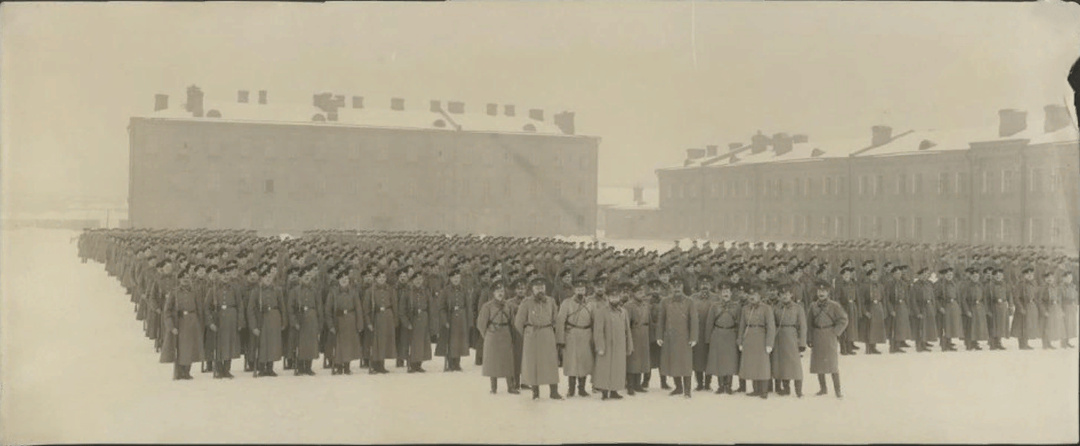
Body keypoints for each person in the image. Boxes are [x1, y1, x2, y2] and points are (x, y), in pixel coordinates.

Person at [514, 277, 562, 400]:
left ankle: (554, 391)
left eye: (542, 288)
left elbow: (556, 319)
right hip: (532, 335)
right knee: (533, 364)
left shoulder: (551, 301)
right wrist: (525, 335)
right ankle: (535, 392)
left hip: (547, 334)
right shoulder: (526, 302)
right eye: (537, 288)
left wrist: (556, 335)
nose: (540, 290)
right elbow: (518, 322)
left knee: (550, 363)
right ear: (532, 289)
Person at [160, 268, 205, 380]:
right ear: (179, 279)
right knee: (180, 348)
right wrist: (171, 326)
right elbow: (167, 311)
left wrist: (200, 323)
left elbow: (199, 308)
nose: (185, 280)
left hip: (192, 321)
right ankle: (179, 372)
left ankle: (187, 371)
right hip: (180, 322)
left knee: (190, 347)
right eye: (183, 278)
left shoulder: (194, 292)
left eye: (187, 278)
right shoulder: (174, 292)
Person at [657, 276, 698, 398]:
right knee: (673, 362)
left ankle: (687, 390)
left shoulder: (689, 302)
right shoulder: (665, 301)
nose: (677, 288)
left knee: (685, 363)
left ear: (682, 287)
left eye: (679, 286)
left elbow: (694, 321)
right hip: (670, 338)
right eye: (674, 286)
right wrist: (659, 336)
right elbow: (661, 320)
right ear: (671, 287)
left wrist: (693, 337)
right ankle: (678, 387)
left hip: (684, 338)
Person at [476, 281, 519, 394]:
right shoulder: (487, 306)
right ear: (493, 293)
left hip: (505, 335)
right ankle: (493, 387)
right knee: (492, 362)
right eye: (498, 291)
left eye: (502, 291)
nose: (500, 293)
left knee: (508, 361)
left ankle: (511, 387)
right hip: (492, 335)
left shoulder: (508, 306)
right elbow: (481, 324)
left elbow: (512, 322)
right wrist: (487, 336)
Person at [592, 282, 633, 400]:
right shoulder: (602, 311)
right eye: (612, 297)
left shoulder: (623, 311)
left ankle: (614, 390)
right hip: (607, 345)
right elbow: (598, 330)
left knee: (618, 368)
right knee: (604, 367)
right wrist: (600, 346)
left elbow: (627, 330)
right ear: (608, 298)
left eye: (616, 296)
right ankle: (604, 391)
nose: (614, 299)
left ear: (619, 297)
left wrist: (629, 345)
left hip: (620, 345)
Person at [555, 277, 595, 397]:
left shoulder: (590, 304)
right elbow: (560, 321)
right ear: (574, 290)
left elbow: (594, 321)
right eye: (578, 289)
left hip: (586, 334)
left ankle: (582, 388)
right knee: (571, 362)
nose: (580, 291)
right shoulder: (566, 303)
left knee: (584, 361)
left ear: (585, 290)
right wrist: (560, 339)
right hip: (571, 335)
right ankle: (571, 388)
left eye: (582, 289)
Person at [808, 283, 847, 398]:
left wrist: (835, 332)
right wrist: (809, 337)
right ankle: (823, 388)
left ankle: (837, 390)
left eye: (824, 291)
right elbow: (809, 323)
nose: (821, 293)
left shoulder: (834, 306)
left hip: (829, 335)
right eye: (819, 292)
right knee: (819, 362)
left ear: (828, 293)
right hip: (817, 335)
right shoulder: (813, 306)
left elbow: (843, 320)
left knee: (832, 363)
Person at [205, 265, 243, 379]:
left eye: (227, 275)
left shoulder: (235, 288)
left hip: (231, 318)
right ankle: (218, 369)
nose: (225, 277)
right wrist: (210, 322)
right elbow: (206, 307)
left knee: (229, 343)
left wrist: (240, 321)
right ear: (219, 276)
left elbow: (240, 305)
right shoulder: (213, 289)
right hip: (219, 318)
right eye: (223, 275)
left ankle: (227, 369)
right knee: (218, 344)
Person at [737, 288, 775, 399]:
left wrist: (769, 343)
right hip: (749, 339)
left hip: (761, 338)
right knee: (752, 364)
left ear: (759, 296)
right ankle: (756, 389)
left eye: (754, 294)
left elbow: (771, 327)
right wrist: (740, 341)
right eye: (750, 295)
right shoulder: (745, 309)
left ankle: (764, 390)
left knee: (762, 365)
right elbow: (742, 326)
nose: (752, 297)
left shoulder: (766, 308)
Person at [247, 269, 286, 377]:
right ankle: (261, 368)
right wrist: (253, 326)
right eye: (266, 277)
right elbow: (250, 309)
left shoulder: (277, 290)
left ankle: (270, 368)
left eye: (270, 277)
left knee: (273, 343)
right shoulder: (256, 291)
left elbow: (282, 307)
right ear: (262, 279)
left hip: (274, 318)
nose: (269, 279)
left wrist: (283, 321)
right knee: (262, 344)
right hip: (262, 320)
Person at [705, 283, 741, 395]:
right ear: (720, 294)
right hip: (718, 334)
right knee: (719, 360)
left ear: (731, 294)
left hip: (731, 334)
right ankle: (721, 386)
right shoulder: (714, 306)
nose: (725, 294)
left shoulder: (736, 306)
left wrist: (739, 338)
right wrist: (708, 339)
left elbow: (740, 323)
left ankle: (728, 385)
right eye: (723, 292)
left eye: (727, 292)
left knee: (730, 360)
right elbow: (709, 323)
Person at [288, 266, 325, 376]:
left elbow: (319, 307)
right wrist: (294, 321)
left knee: (311, 343)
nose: (307, 278)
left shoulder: (314, 290)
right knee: (300, 343)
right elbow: (290, 308)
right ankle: (300, 366)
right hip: (300, 319)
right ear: (300, 278)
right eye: (305, 277)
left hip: (312, 318)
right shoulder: (295, 291)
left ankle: (308, 367)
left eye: (309, 276)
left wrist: (320, 322)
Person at [771, 287, 807, 397]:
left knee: (795, 364)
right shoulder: (776, 308)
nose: (784, 296)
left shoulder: (798, 308)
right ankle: (786, 388)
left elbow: (803, 326)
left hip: (792, 336)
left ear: (791, 294)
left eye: (786, 294)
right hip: (779, 338)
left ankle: (798, 390)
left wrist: (802, 342)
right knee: (783, 364)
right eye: (782, 294)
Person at [326, 270, 364, 375]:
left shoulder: (353, 292)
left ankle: (347, 366)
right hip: (338, 321)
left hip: (350, 321)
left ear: (349, 280)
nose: (344, 280)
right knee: (338, 345)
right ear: (338, 280)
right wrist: (330, 325)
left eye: (346, 279)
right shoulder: (332, 293)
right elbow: (328, 311)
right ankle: (338, 366)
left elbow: (358, 309)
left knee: (348, 345)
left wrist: (359, 324)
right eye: (342, 279)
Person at [399, 272, 436, 373]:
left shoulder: (426, 291)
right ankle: (411, 364)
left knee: (422, 343)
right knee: (412, 343)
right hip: (412, 320)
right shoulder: (407, 292)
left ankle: (419, 364)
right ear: (412, 281)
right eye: (416, 279)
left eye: (420, 279)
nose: (418, 281)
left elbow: (431, 308)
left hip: (424, 319)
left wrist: (431, 322)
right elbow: (402, 310)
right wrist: (407, 323)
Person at [363, 269, 398, 374]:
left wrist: (395, 320)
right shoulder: (370, 291)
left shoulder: (390, 290)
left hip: (388, 317)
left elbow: (394, 305)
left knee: (385, 342)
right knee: (376, 342)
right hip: (376, 318)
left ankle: (381, 364)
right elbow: (366, 309)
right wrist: (368, 322)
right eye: (380, 278)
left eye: (384, 278)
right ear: (376, 279)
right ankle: (375, 364)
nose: (382, 280)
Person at [437, 269, 473, 372]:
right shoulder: (446, 291)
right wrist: (445, 321)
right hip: (450, 317)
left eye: (458, 278)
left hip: (461, 318)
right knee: (451, 341)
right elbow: (441, 308)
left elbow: (468, 306)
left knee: (460, 341)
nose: (456, 280)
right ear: (450, 279)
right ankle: (450, 362)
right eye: (454, 278)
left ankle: (457, 363)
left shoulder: (464, 290)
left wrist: (469, 321)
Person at [624, 282, 652, 395]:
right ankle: (630, 385)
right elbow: (626, 323)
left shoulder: (645, 305)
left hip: (644, 333)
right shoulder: (629, 306)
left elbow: (649, 320)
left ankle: (638, 384)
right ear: (634, 294)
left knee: (641, 359)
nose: (642, 294)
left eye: (643, 292)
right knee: (632, 359)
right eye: (639, 292)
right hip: (634, 332)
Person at [691, 275, 716, 391]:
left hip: (711, 331)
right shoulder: (692, 298)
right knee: (698, 358)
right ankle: (699, 383)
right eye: (702, 284)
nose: (704, 286)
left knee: (709, 357)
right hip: (698, 332)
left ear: (711, 286)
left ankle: (708, 383)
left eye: (707, 284)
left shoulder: (716, 298)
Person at [1010, 267, 1040, 350]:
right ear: (1024, 275)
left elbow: (1036, 295)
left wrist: (1036, 306)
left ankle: (1026, 343)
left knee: (1029, 325)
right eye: (1028, 274)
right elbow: (1016, 297)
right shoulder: (1020, 284)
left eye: (1031, 274)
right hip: (1023, 306)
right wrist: (1021, 308)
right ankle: (1022, 344)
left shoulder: (1034, 283)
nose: (1030, 276)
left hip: (1031, 306)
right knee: (1021, 325)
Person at [859, 269, 886, 354]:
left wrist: (884, 310)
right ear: (869, 276)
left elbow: (884, 299)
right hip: (869, 307)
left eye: (876, 274)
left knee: (876, 329)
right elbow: (861, 300)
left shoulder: (880, 286)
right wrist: (865, 311)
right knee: (869, 328)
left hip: (878, 307)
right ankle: (868, 347)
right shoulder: (864, 286)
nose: (875, 276)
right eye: (873, 275)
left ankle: (874, 347)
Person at [834, 268, 861, 355]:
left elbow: (857, 298)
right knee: (844, 329)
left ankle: (849, 348)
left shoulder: (853, 285)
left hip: (852, 308)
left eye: (848, 274)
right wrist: (840, 310)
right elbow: (837, 299)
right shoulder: (840, 286)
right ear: (842, 276)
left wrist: (858, 310)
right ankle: (843, 349)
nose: (847, 276)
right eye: (845, 275)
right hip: (844, 308)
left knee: (851, 329)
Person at [961, 269, 989, 351]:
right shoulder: (967, 286)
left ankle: (975, 342)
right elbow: (964, 300)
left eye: (977, 276)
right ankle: (969, 343)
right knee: (970, 327)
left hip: (979, 308)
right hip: (971, 307)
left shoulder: (980, 286)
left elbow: (984, 298)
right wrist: (967, 310)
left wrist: (984, 308)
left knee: (977, 327)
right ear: (970, 277)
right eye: (973, 276)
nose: (975, 278)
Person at [937, 268, 963, 352]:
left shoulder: (954, 284)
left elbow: (958, 296)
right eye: (947, 275)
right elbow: (936, 298)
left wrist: (958, 306)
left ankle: (949, 342)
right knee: (946, 326)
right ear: (944, 275)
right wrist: (940, 307)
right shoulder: (941, 285)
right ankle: (944, 344)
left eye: (951, 275)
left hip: (954, 306)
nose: (949, 276)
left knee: (952, 326)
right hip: (946, 306)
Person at [912, 268, 939, 352]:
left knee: (927, 327)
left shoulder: (929, 284)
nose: (925, 276)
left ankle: (924, 343)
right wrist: (917, 312)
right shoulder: (915, 286)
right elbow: (913, 301)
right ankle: (919, 346)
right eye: (923, 275)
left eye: (926, 275)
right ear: (919, 276)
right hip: (921, 307)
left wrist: (933, 308)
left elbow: (932, 297)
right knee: (920, 327)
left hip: (929, 307)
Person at [1039, 272, 1065, 349]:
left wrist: (1060, 310)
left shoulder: (1055, 287)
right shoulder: (1042, 288)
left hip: (1054, 309)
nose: (1050, 279)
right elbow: (1040, 301)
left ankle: (1049, 343)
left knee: (1051, 326)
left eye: (1051, 277)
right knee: (1045, 326)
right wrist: (1044, 311)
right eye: (1048, 277)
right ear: (1045, 279)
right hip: (1047, 308)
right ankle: (1045, 344)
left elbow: (1059, 299)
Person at [987, 268, 1011, 351]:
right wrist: (988, 310)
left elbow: (1009, 295)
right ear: (993, 276)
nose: (998, 277)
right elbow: (987, 299)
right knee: (994, 325)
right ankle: (992, 343)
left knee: (1002, 325)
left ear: (1003, 276)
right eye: (996, 276)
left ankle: (999, 342)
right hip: (994, 306)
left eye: (1000, 275)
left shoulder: (1005, 284)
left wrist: (1010, 306)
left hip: (1003, 307)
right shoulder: (990, 285)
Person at [1062, 272, 1078, 349]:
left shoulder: (1073, 286)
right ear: (1064, 278)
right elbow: (1060, 298)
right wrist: (1061, 310)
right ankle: (1063, 343)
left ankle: (1067, 341)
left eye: (1071, 278)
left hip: (1072, 307)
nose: (1069, 279)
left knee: (1070, 325)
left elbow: (1076, 297)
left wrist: (1075, 305)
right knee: (1065, 324)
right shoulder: (1061, 287)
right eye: (1068, 278)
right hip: (1065, 307)